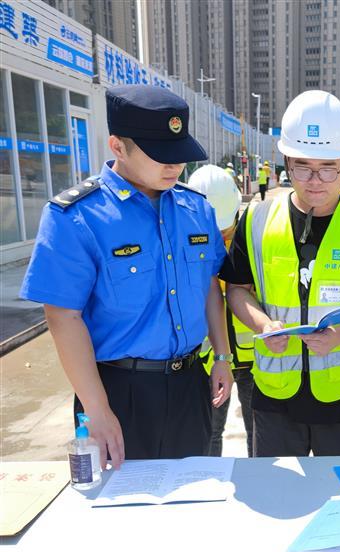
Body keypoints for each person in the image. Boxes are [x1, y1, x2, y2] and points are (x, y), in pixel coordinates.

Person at [20, 85, 233, 468]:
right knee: (122, 499)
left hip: (190, 385)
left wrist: (222, 356)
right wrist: (97, 408)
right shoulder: (77, 217)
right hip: (119, 393)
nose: (174, 166)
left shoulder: (196, 209)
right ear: (118, 147)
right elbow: (63, 316)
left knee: (194, 496)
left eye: (180, 154)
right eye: (160, 155)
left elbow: (208, 288)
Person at [221, 90, 340, 457]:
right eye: (302, 167)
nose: (315, 180)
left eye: (328, 168)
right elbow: (237, 289)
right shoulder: (257, 219)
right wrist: (262, 324)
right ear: (286, 162)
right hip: (275, 396)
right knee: (278, 490)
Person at [189, 165, 256, 457]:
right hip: (209, 360)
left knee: (259, 431)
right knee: (210, 432)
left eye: (225, 230)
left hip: (253, 357)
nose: (221, 235)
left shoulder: (253, 237)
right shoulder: (186, 240)